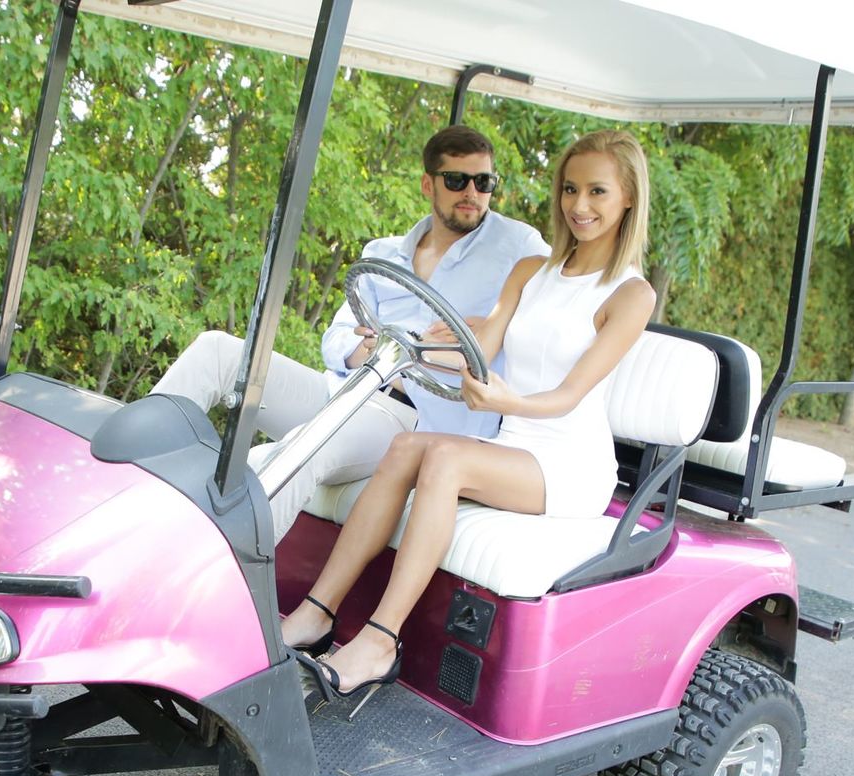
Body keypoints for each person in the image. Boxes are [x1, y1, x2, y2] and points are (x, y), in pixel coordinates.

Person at [281, 129, 657, 700]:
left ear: (628, 198)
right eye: (570, 189)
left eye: (597, 192)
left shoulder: (631, 294)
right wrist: (400, 346)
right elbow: (476, 351)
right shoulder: (531, 270)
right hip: (513, 444)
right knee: (406, 447)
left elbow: (569, 395)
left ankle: (380, 639)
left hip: (568, 464)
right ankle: (317, 611)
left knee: (446, 460)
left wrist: (507, 402)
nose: (579, 205)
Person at [151, 125, 549, 538]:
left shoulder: (518, 245)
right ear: (428, 184)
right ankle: (135, 480)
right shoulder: (384, 253)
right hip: (344, 388)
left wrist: (495, 323)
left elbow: (568, 288)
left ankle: (221, 561)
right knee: (216, 350)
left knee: (306, 446)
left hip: (407, 415)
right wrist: (370, 350)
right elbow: (336, 338)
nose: (472, 193)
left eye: (484, 182)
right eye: (456, 180)